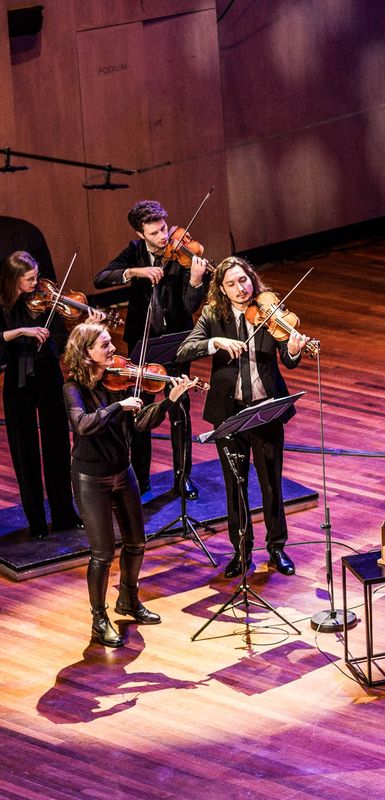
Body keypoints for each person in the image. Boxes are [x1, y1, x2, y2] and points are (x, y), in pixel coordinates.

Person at [62, 322, 200, 646]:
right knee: (102, 554)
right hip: (90, 478)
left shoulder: (119, 381)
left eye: (111, 343)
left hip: (123, 471)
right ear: (86, 353)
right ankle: (99, 619)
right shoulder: (73, 388)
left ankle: (128, 599)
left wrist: (169, 400)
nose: (113, 349)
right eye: (105, 345)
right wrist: (116, 407)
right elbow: (82, 425)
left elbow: (140, 423)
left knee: (137, 542)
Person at [176, 257, 309, 578]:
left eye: (244, 280)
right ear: (222, 289)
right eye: (232, 284)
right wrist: (215, 342)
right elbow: (184, 350)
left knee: (271, 484)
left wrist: (293, 349)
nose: (241, 288)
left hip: (266, 410)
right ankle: (241, 551)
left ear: (252, 279)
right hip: (229, 414)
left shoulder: (269, 311)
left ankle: (276, 547)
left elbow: (288, 360)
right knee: (235, 486)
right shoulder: (213, 315)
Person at [94, 200, 211, 499]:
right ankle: (141, 478)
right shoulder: (134, 251)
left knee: (180, 410)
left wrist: (195, 282)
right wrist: (136, 272)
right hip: (142, 342)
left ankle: (183, 477)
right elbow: (100, 278)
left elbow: (189, 307)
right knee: (140, 411)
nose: (163, 237)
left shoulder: (183, 255)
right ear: (140, 233)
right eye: (154, 233)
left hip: (176, 342)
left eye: (164, 229)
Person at [1, 251, 88, 537]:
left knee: (57, 444)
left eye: (36, 277)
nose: (36, 283)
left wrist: (85, 319)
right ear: (14, 279)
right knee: (24, 450)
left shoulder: (46, 298)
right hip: (18, 380)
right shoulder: (3, 305)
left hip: (48, 373)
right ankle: (36, 522)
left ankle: (64, 514)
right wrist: (21, 331)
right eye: (29, 279)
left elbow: (62, 337)